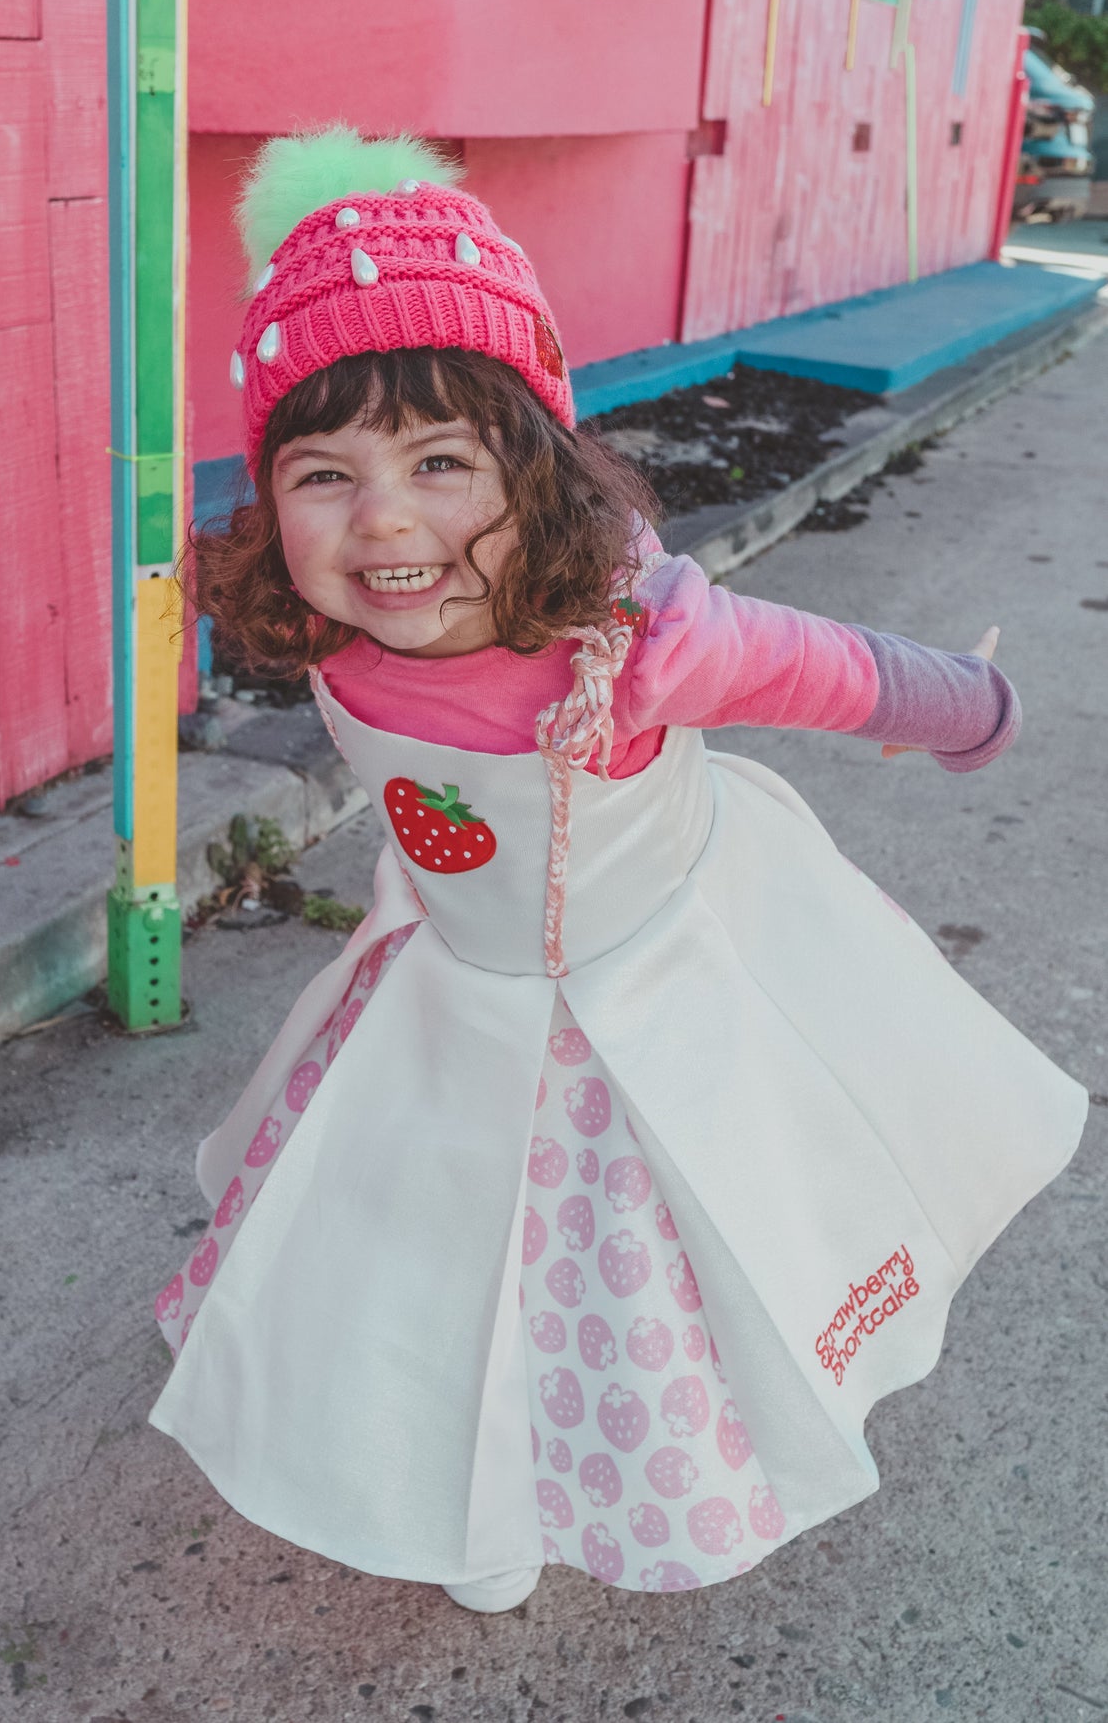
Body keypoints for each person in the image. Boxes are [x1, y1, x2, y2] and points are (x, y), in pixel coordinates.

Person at [146, 127, 1087, 1614]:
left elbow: (828, 670)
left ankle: (590, 1481)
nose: (384, 519)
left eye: (441, 461)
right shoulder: (332, 623)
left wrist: (969, 712)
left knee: (639, 1274)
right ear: (270, 505)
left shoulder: (635, 636)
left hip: (648, 987)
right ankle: (454, 1491)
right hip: (457, 978)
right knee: (431, 1264)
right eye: (322, 474)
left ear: (536, 464)